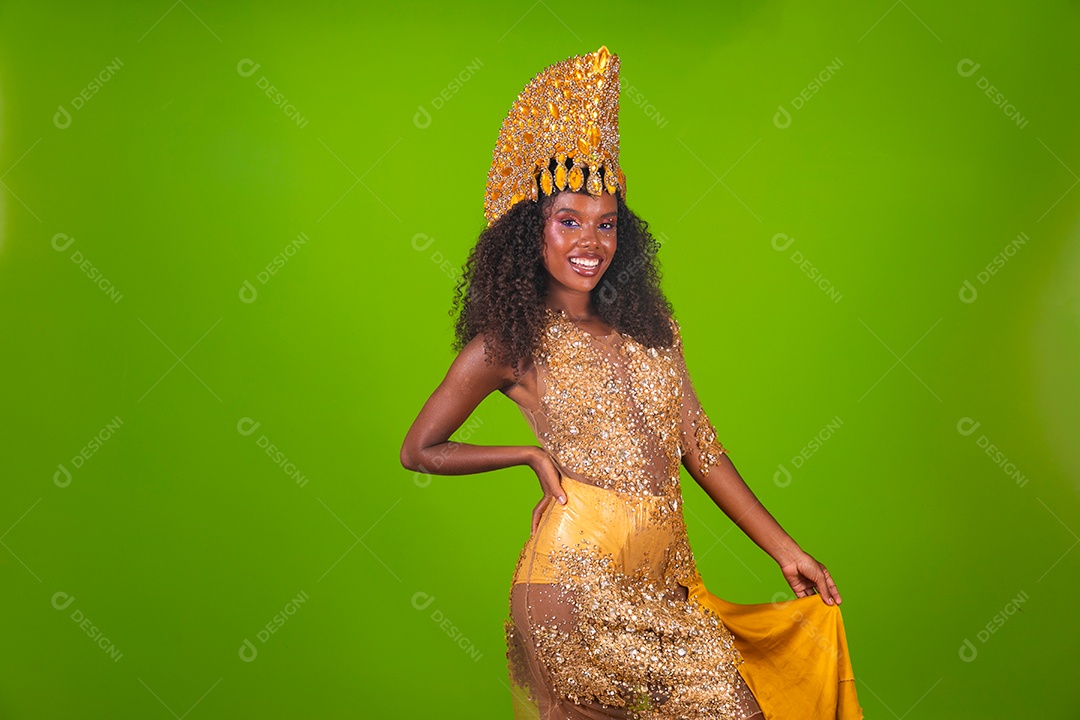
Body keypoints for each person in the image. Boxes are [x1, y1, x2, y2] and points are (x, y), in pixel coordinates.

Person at [400, 45, 862, 720]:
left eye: (606, 222)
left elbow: (700, 447)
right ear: (534, 233)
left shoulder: (654, 328)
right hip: (571, 588)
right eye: (568, 221)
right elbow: (421, 448)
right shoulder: (508, 342)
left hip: (662, 584)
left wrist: (786, 549)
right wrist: (528, 454)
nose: (590, 240)